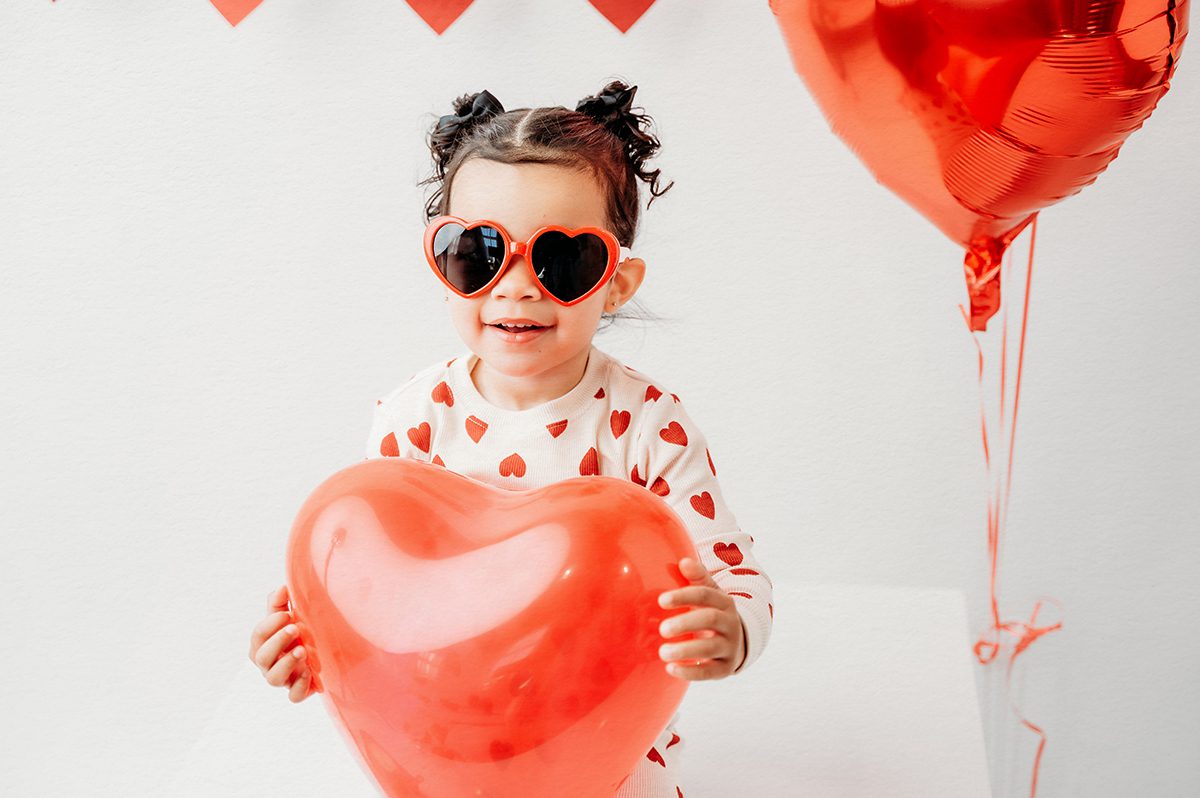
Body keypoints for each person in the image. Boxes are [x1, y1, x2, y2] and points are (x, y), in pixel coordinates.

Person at [248, 79, 773, 797]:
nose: (515, 287)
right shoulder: (412, 417)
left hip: (605, 752)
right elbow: (373, 594)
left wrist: (731, 632)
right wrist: (310, 648)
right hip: (435, 752)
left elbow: (733, 575)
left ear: (617, 284)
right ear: (441, 265)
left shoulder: (648, 425)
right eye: (478, 252)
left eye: (562, 262)